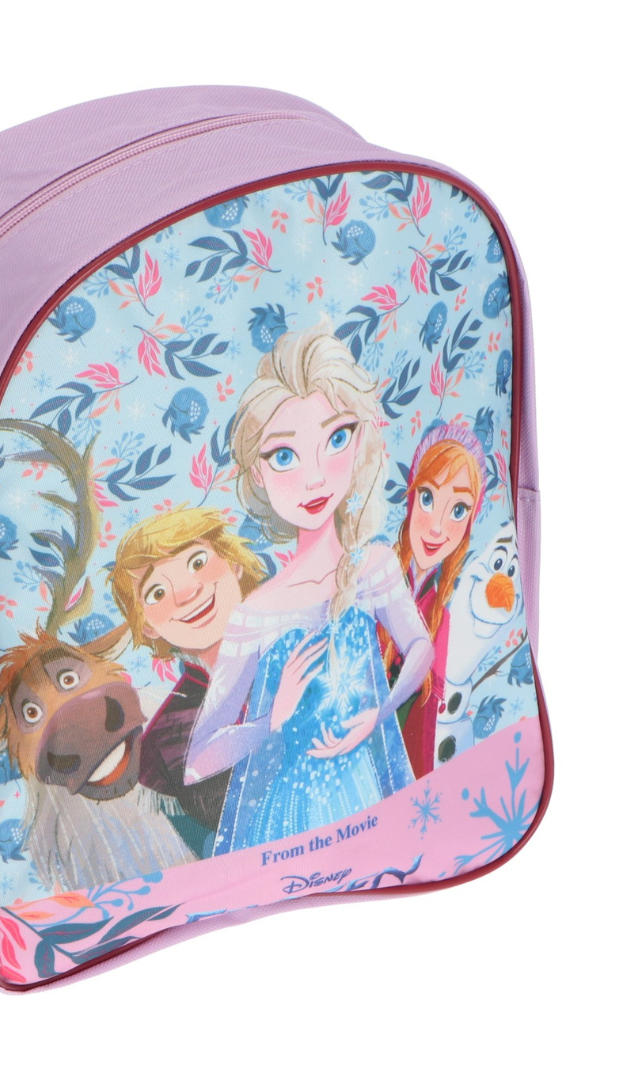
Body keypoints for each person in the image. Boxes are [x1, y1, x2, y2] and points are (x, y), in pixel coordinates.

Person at [183, 320, 433, 854]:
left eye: (335, 439)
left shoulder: (374, 566)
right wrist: (269, 722)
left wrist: (381, 712)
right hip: (284, 821)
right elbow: (197, 759)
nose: (314, 478)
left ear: (359, 439)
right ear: (257, 473)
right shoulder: (257, 613)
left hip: (366, 792)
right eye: (284, 456)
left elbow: (420, 646)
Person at [109, 505, 266, 857]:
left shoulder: (304, 639)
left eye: (197, 562)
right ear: (148, 626)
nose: (186, 592)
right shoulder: (164, 742)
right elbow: (212, 847)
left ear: (235, 564)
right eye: (157, 593)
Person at [384, 423, 486, 776]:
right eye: (428, 498)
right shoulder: (376, 579)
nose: (438, 528)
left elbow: (425, 732)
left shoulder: (441, 622)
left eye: (458, 510)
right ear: (411, 498)